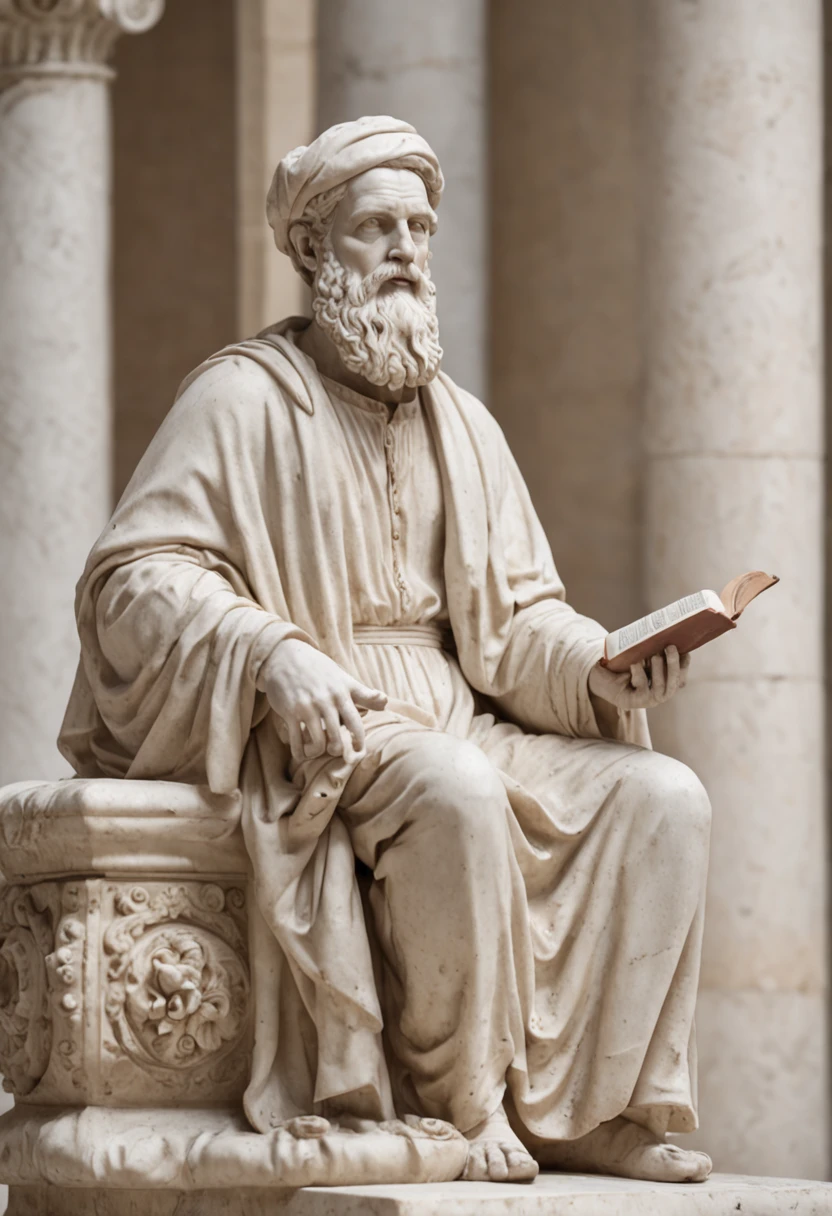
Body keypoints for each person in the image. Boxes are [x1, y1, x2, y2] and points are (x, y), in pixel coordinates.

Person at [60, 116, 712, 1185]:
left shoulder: (463, 425)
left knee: (663, 797)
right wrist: (267, 650)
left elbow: (515, 627)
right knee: (451, 789)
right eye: (378, 228)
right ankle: (464, 1102)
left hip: (460, 709)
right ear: (316, 250)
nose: (409, 250)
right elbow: (132, 581)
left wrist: (600, 669)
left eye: (421, 226)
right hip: (325, 724)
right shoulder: (239, 400)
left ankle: (592, 1106)